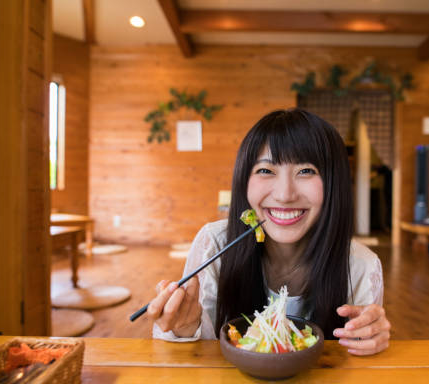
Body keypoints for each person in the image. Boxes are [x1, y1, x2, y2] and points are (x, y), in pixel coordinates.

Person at [148, 108, 390, 356]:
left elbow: (358, 368)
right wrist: (185, 327)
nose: (285, 195)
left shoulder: (361, 266)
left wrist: (369, 338)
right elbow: (191, 360)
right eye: (266, 170)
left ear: (334, 184)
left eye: (306, 171)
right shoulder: (215, 244)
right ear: (244, 181)